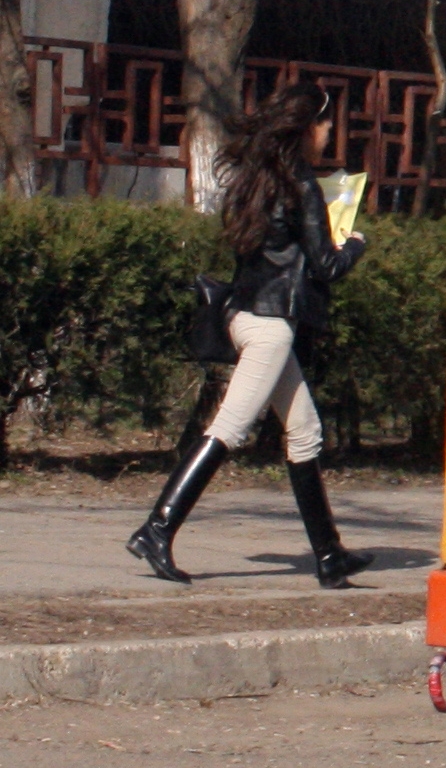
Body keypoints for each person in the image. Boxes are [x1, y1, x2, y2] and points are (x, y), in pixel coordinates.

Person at [125, 82, 369, 588]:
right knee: (229, 429)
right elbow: (324, 264)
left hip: (244, 314)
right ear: (306, 128)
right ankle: (157, 527)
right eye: (325, 125)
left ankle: (328, 557)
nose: (328, 135)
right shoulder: (300, 184)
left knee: (304, 431)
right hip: (271, 327)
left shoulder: (254, 179)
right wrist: (356, 245)